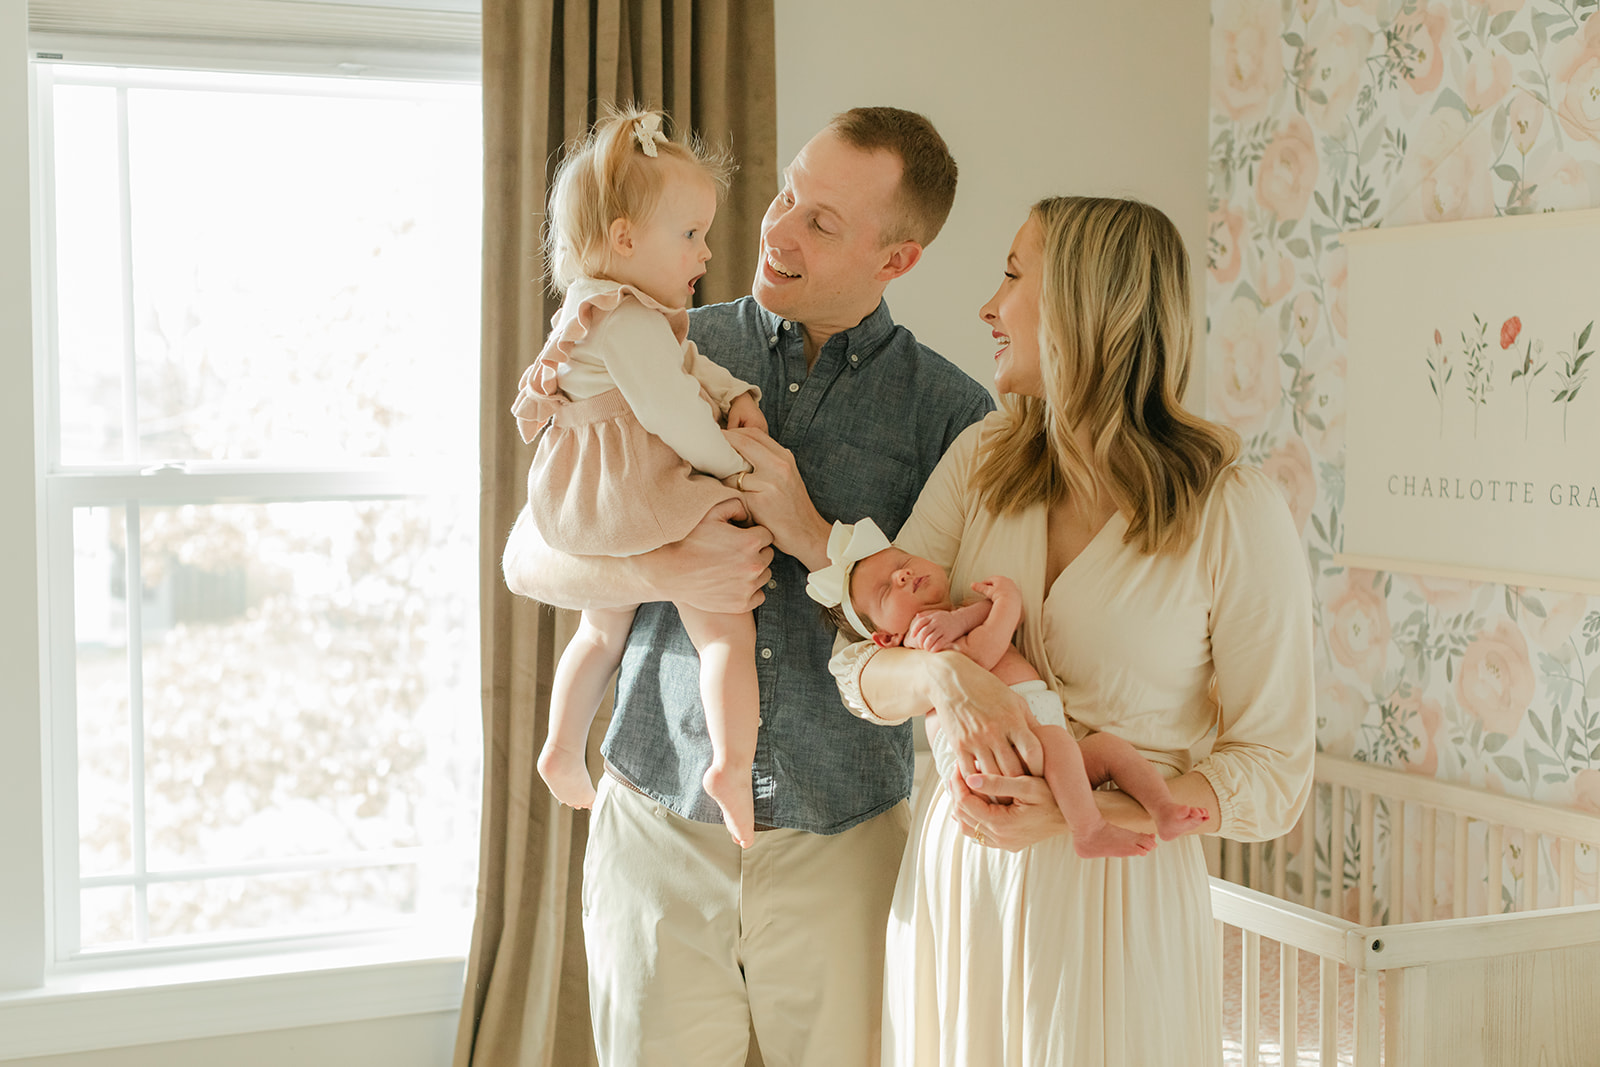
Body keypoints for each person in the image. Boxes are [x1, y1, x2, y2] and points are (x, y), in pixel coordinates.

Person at [501, 107, 993, 1066]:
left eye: (824, 222)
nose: (776, 230)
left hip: (845, 841)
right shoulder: (665, 334)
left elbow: (938, 635)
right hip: (658, 823)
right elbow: (527, 555)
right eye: (785, 196)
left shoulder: (954, 418)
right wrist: (665, 568)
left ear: (896, 261)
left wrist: (811, 533)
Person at [828, 196, 1316, 1065]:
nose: (988, 305)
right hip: (965, 877)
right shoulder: (983, 458)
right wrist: (941, 681)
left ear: (1086, 308)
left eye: (1014, 274)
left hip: (1116, 895)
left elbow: (1274, 777)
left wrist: (1076, 810)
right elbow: (858, 663)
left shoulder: (1233, 511)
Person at [518, 106, 766, 846]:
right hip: (629, 490)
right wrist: (738, 468)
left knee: (600, 628)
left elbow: (690, 370)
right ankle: (729, 761)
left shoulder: (610, 309)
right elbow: (674, 415)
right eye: (689, 235)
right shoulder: (627, 322)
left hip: (583, 496)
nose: (706, 250)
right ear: (625, 238)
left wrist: (736, 392)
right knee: (723, 628)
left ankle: (563, 744)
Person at [805, 517, 1210, 857]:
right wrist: (1008, 601)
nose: (902, 574)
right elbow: (980, 656)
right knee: (1064, 745)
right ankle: (1088, 830)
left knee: (1110, 750)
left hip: (1033, 745)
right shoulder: (925, 641)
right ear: (886, 639)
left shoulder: (953, 617)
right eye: (885, 590)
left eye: (904, 561)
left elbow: (976, 625)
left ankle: (1164, 809)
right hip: (1002, 759)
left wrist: (969, 614)